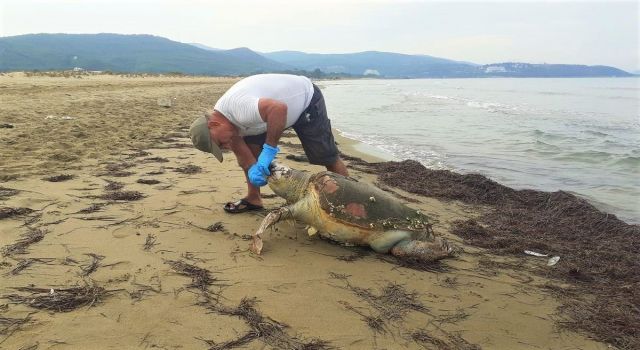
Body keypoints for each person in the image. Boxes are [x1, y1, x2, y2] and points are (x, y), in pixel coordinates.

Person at [189, 73, 349, 213]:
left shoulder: (240, 108)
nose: (225, 147)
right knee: (251, 150)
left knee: (325, 156)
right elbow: (245, 158)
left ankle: (347, 201)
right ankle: (254, 198)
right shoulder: (227, 127)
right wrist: (253, 170)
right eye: (220, 148)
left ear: (214, 125)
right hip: (269, 114)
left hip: (305, 100)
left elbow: (278, 109)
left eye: (219, 143)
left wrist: (269, 149)